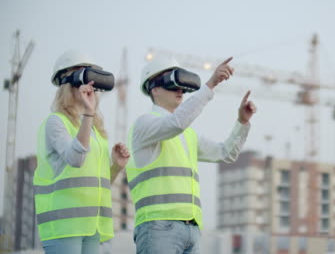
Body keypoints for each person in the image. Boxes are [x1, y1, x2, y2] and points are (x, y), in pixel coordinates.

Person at [127, 56, 256, 253]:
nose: (180, 90)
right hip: (158, 227)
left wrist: (242, 122)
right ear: (154, 88)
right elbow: (175, 123)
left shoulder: (187, 134)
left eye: (182, 85)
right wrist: (211, 84)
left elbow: (226, 153)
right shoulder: (144, 124)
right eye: (172, 84)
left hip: (191, 229)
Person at [33, 50, 130, 254]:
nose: (92, 86)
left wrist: (116, 166)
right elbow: (75, 159)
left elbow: (98, 183)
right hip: (63, 226)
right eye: (85, 76)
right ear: (69, 82)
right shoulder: (56, 122)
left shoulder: (95, 130)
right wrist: (88, 113)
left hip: (91, 225)